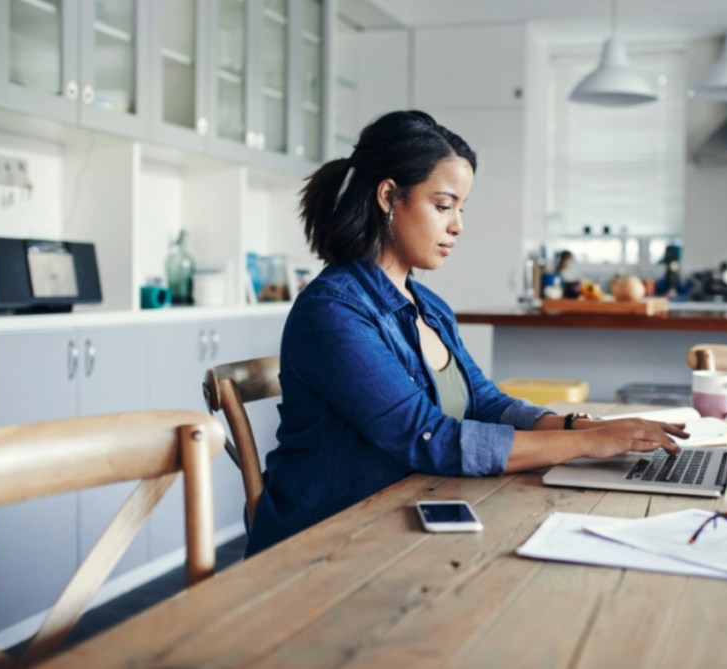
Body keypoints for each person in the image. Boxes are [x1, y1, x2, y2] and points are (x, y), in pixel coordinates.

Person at [246, 110, 687, 556]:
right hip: (324, 544)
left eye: (460, 208)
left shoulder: (430, 308)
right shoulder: (333, 312)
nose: (458, 225)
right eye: (442, 205)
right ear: (388, 197)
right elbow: (427, 437)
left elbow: (485, 403)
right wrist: (582, 444)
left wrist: (587, 428)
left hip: (404, 519)